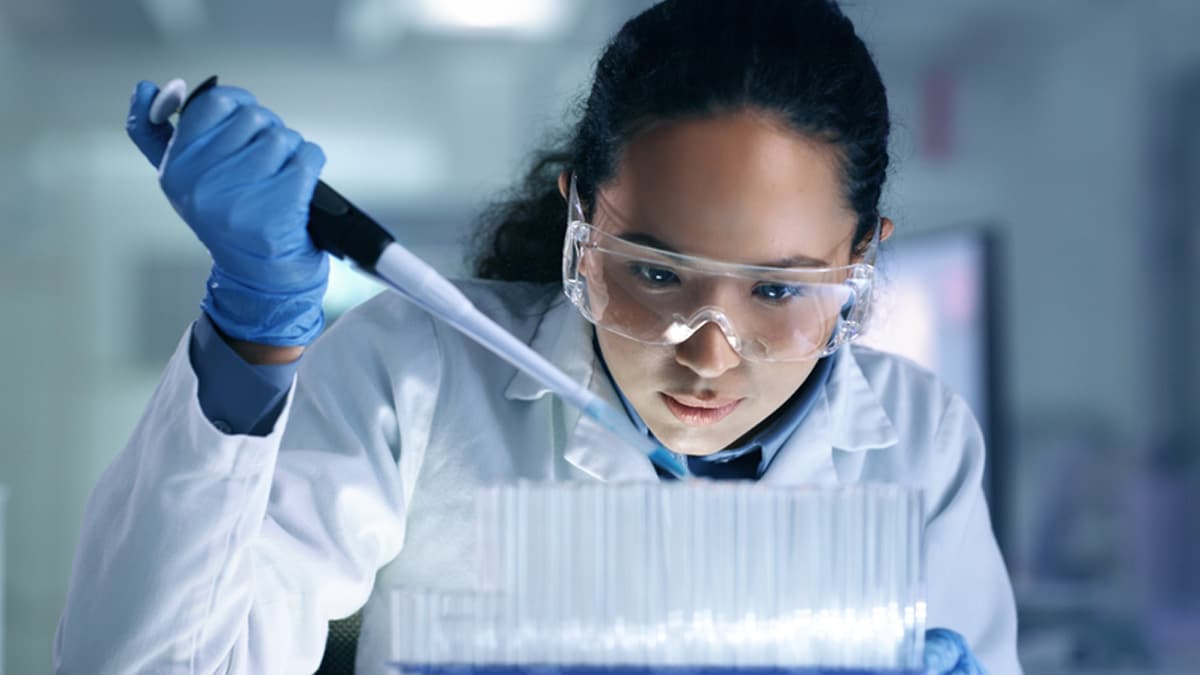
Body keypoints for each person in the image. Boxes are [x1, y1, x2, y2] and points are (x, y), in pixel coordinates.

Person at [54, 1, 1018, 673]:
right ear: (581, 229)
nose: (710, 354)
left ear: (862, 255)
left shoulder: (918, 437)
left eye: (776, 289)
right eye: (653, 272)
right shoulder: (419, 376)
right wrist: (249, 335)